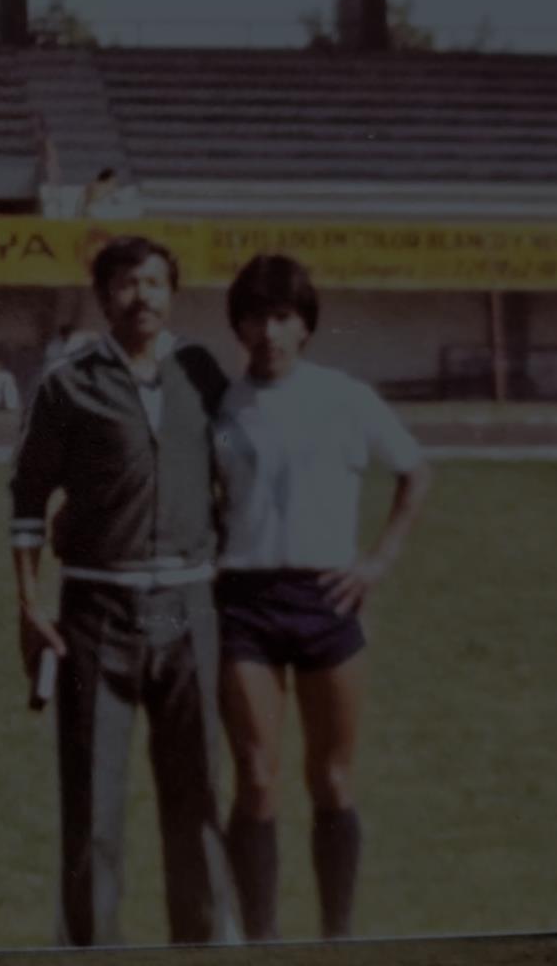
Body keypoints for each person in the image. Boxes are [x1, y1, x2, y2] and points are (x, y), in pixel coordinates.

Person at [9, 234, 237, 946]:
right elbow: (27, 498)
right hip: (97, 610)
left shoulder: (202, 372)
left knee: (198, 791)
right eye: (128, 283)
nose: (143, 296)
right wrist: (28, 605)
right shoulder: (67, 383)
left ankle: (202, 938)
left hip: (189, 608)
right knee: (92, 798)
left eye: (155, 282)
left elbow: (236, 480)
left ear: (174, 293)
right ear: (104, 297)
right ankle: (89, 944)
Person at [213, 254, 431, 941]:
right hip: (244, 601)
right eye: (255, 317)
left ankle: (337, 936)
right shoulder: (221, 406)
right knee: (256, 776)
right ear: (239, 326)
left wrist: (378, 560)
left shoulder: (345, 396)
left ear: (305, 325)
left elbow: (415, 471)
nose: (269, 332)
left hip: (327, 599)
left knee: (333, 779)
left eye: (283, 317)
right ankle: (262, 940)